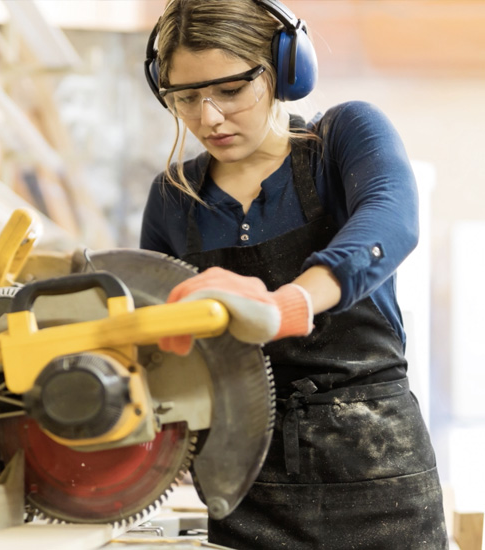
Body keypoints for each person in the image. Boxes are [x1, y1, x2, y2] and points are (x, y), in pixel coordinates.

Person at [140, 0, 449, 548]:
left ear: (284, 70)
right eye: (186, 97)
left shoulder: (343, 139)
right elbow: (163, 353)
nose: (208, 117)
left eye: (231, 90)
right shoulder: (173, 199)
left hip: (376, 473)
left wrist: (287, 305)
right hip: (244, 483)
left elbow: (392, 219)